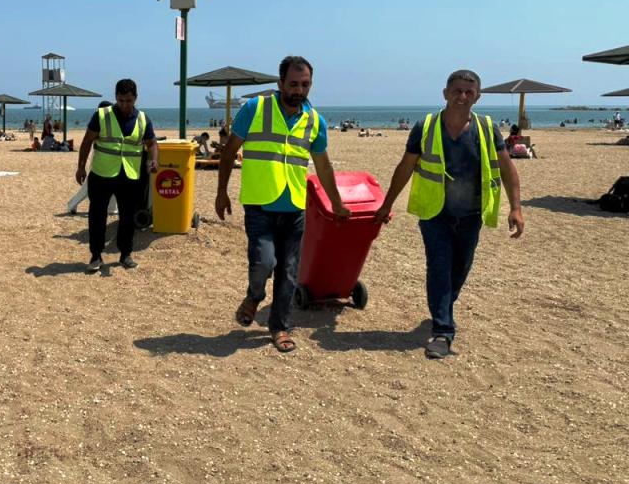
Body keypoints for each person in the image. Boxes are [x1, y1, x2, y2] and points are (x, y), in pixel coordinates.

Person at [374, 69, 524, 360]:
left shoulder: (487, 128)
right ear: (445, 93)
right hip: (435, 214)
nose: (462, 97)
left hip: (471, 214)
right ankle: (443, 331)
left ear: (477, 97)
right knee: (439, 268)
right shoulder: (426, 126)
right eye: (456, 91)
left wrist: (516, 208)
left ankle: (443, 305)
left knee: (459, 271)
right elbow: (405, 167)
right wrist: (387, 203)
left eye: (469, 92)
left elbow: (507, 168)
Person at [215, 56, 350, 353]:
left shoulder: (315, 121)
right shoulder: (255, 109)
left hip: (294, 207)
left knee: (289, 273)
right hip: (260, 204)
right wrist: (221, 192)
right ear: (280, 83)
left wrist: (337, 203)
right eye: (293, 84)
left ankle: (279, 327)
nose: (299, 90)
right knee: (264, 262)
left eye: (305, 84)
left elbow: (323, 166)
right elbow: (228, 152)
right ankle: (254, 296)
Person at [76, 81, 158, 272]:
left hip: (130, 176)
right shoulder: (101, 115)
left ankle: (125, 254)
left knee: (128, 217)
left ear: (135, 98)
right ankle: (96, 256)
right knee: (97, 216)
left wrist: (153, 160)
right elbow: (87, 141)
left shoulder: (143, 119)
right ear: (115, 97)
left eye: (128, 101)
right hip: (102, 174)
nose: (124, 104)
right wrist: (81, 167)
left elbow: (152, 143)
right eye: (121, 100)